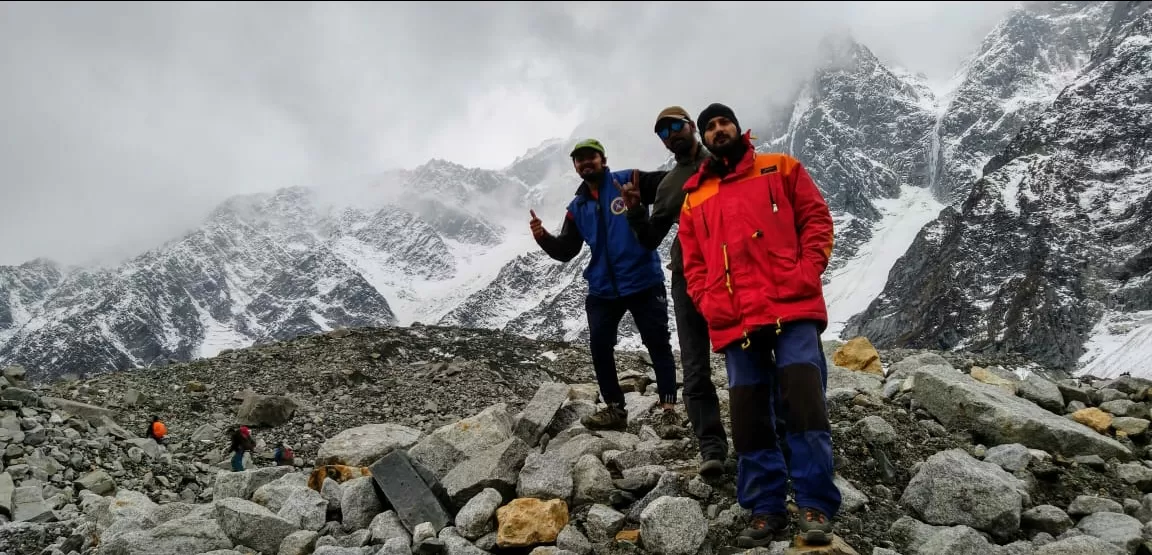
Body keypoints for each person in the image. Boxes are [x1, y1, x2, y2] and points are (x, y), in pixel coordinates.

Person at [677, 103, 840, 546]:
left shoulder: (780, 168)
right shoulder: (694, 198)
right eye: (709, 126)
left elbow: (817, 219)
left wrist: (808, 270)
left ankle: (815, 504)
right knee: (749, 417)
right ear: (703, 138)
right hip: (734, 318)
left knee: (804, 404)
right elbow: (692, 264)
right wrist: (708, 301)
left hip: (792, 305)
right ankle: (766, 509)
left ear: (737, 126)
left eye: (723, 122)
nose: (717, 130)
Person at [530, 138, 685, 437]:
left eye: (591, 157)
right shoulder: (577, 207)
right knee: (600, 348)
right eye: (580, 159)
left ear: (603, 158)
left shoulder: (628, 180)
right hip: (602, 289)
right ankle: (615, 408)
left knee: (657, 344)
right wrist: (543, 238)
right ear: (575, 166)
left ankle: (669, 410)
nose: (586, 163)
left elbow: (672, 183)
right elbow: (566, 250)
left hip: (643, 280)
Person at [618, 106, 729, 477]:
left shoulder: (725, 161)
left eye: (676, 126)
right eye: (664, 131)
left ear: (691, 127)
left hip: (732, 269)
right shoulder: (669, 186)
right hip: (687, 274)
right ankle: (711, 445)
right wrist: (635, 211)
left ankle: (760, 438)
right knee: (695, 365)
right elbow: (651, 238)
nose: (671, 134)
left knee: (746, 357)